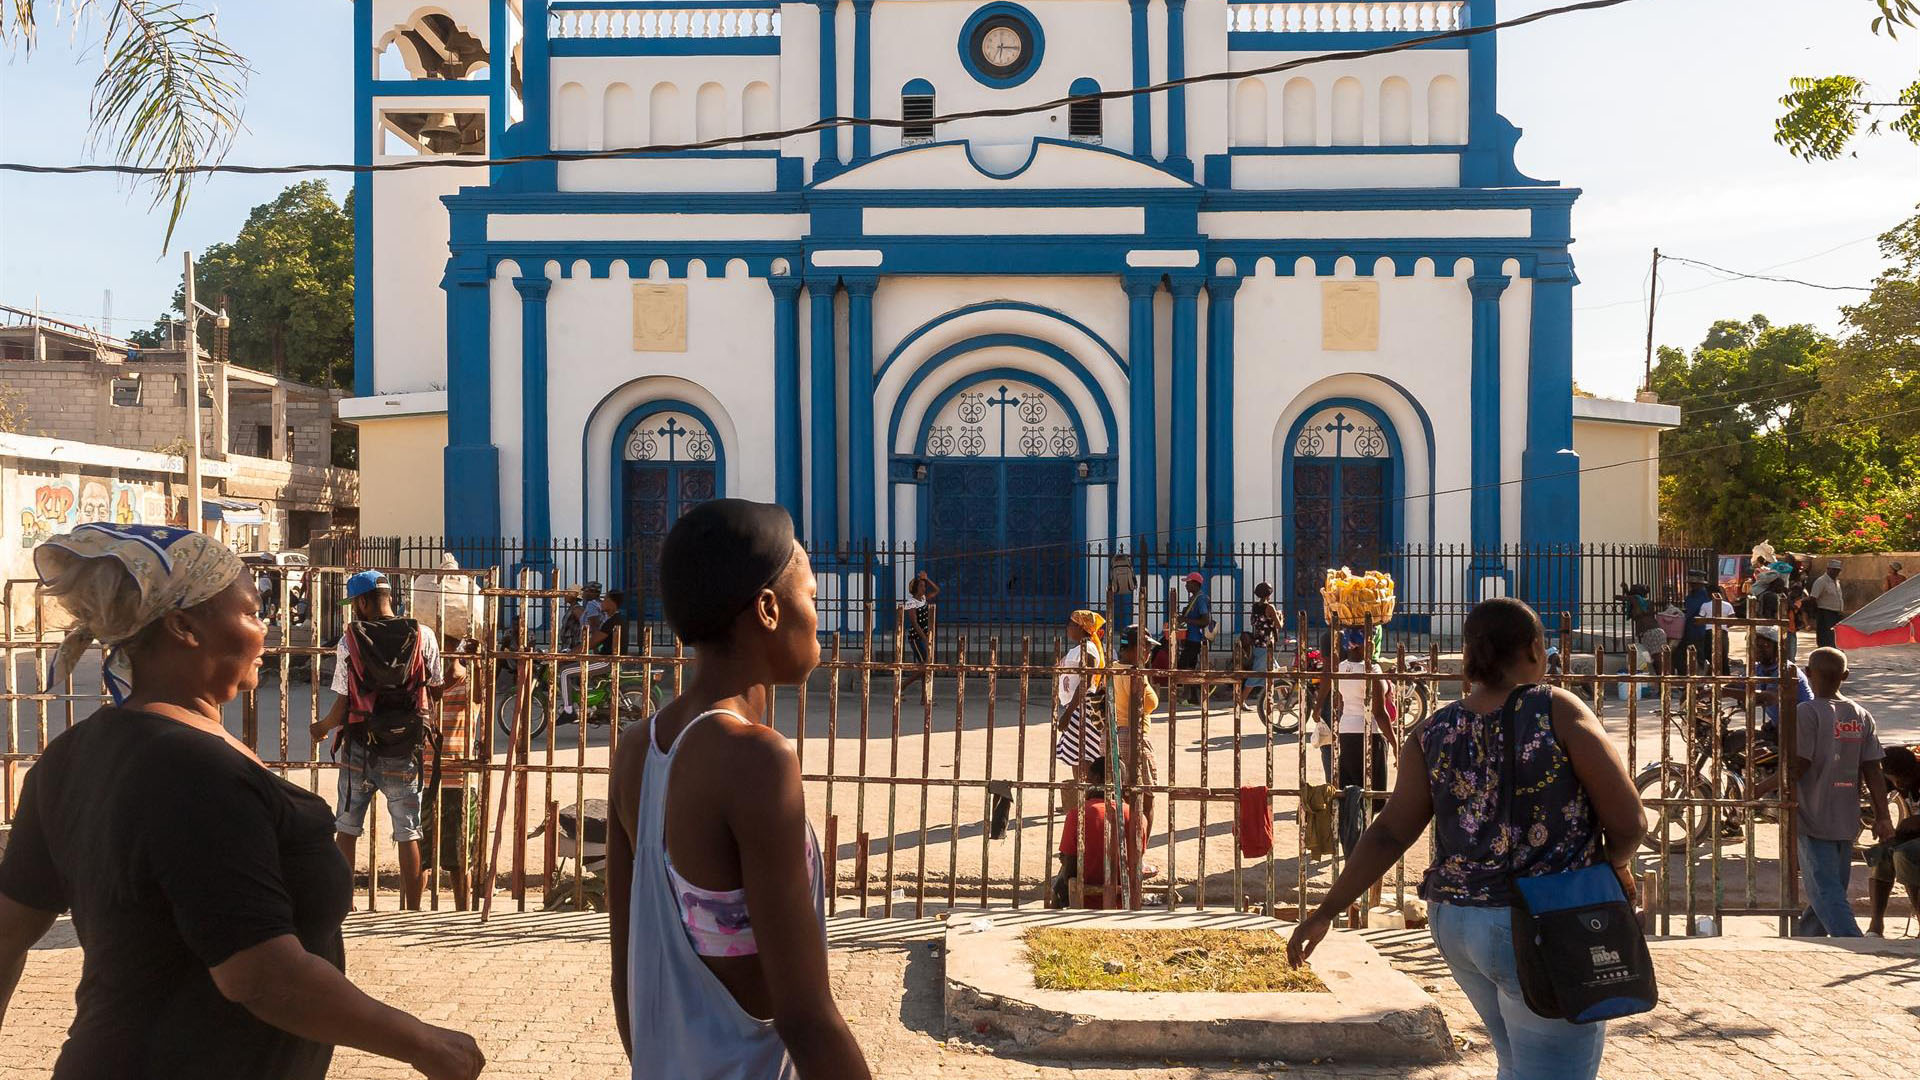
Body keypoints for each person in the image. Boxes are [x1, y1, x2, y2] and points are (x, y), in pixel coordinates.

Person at [0, 523, 481, 1080]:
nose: (268, 628)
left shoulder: (73, 755)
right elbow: (262, 976)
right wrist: (424, 1043)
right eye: (253, 613)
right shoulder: (194, 771)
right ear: (183, 626)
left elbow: (8, 931)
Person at [1289, 597, 1643, 1080]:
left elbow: (1390, 832)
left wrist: (1326, 911)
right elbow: (1630, 822)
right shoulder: (1555, 708)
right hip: (1542, 922)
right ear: (1536, 648)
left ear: (1470, 655)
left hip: (1457, 922)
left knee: (1517, 1064)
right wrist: (1617, 864)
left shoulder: (1435, 730)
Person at [606, 499, 871, 1078]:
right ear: (770, 609)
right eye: (813, 599)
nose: (819, 617)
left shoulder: (636, 749)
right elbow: (805, 1018)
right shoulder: (756, 760)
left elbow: (628, 978)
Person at [310, 570, 445, 911]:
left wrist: (322, 727)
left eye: (355, 602)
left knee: (348, 825)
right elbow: (434, 689)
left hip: (359, 744)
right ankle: (411, 910)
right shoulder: (423, 635)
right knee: (408, 830)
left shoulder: (349, 641)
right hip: (405, 746)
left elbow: (342, 702)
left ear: (364, 601)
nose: (354, 609)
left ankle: (345, 905)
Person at [1790, 647, 1894, 937]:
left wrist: (1764, 786)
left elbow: (1799, 764)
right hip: (1846, 821)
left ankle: (1855, 944)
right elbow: (1874, 770)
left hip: (1813, 818)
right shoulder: (1861, 714)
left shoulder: (1806, 712)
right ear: (1845, 676)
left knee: (1827, 893)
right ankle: (1808, 940)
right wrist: (1883, 817)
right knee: (1827, 891)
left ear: (1808, 674)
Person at [1319, 628, 1395, 856]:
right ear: (1363, 645)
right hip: (1369, 734)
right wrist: (1396, 744)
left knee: (1348, 789)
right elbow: (1380, 714)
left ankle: (1351, 839)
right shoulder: (1371, 671)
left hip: (1346, 732)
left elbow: (1341, 704)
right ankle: (1365, 841)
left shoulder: (1341, 668)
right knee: (1373, 793)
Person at [1054, 755, 1144, 910]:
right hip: (1123, 897)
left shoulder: (1079, 813)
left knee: (1058, 882)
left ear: (1096, 779)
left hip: (1086, 896)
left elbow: (1069, 861)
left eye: (1088, 779)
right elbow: (1137, 856)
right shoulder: (1136, 816)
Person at [1113, 625, 1161, 879]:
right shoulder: (1133, 674)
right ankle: (1136, 859)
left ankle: (1124, 856)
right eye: (1145, 648)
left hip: (1116, 735)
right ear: (1131, 649)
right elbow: (1138, 709)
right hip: (1133, 737)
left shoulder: (1115, 669)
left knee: (1126, 798)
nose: (1148, 653)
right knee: (1146, 799)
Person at [1053, 610, 1109, 821]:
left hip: (1081, 709)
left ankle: (1086, 800)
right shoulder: (1078, 649)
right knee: (1077, 756)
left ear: (1080, 627)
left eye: (1071, 623)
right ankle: (1081, 799)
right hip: (1075, 708)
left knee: (1083, 758)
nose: (1068, 627)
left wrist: (1068, 714)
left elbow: (1086, 680)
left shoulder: (1088, 649)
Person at [1865, 745, 1920, 938]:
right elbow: (1877, 791)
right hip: (1911, 835)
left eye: (1900, 779)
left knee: (1906, 855)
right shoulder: (1895, 779)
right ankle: (1876, 924)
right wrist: (1882, 818)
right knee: (1881, 854)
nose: (1898, 785)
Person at [1241, 582, 1282, 728]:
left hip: (1258, 642)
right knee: (1256, 674)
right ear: (1269, 594)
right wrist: (1280, 616)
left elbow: (1255, 622)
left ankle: (1282, 698)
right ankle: (1240, 701)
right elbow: (1279, 625)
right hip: (1267, 644)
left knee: (1277, 673)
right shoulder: (1269, 607)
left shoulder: (1255, 606)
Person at [1176, 572, 1212, 704]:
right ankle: (1191, 696)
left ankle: (1189, 695)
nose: (1186, 585)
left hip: (1196, 638)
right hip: (1191, 637)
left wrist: (1186, 619)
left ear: (1195, 584)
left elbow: (1205, 620)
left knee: (1186, 666)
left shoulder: (1201, 599)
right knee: (1188, 666)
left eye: (1188, 582)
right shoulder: (1195, 598)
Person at [900, 571, 939, 691]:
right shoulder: (912, 602)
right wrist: (925, 638)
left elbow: (937, 590)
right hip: (916, 638)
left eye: (924, 585)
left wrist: (926, 579)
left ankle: (924, 697)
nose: (924, 588)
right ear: (916, 588)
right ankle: (901, 686)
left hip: (924, 636)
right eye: (921, 586)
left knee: (925, 667)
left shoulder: (923, 599)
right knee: (925, 666)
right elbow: (914, 623)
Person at [1623, 584, 1665, 674]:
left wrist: (1626, 591)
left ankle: (1664, 682)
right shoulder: (1645, 602)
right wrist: (1627, 591)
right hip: (1649, 633)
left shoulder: (1636, 600)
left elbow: (1617, 597)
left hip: (1651, 633)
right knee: (1652, 661)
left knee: (1657, 661)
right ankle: (1661, 682)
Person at [1676, 570, 1712, 673]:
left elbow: (1693, 610)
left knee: (1698, 653)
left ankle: (1702, 673)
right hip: (1689, 629)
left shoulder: (1702, 596)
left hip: (1697, 629)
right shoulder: (1691, 595)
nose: (1692, 585)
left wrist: (1682, 614)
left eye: (1694, 584)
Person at [1810, 560, 1846, 649]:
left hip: (1836, 613)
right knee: (1826, 637)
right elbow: (1813, 598)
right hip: (1825, 612)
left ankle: (1835, 651)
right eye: (1834, 570)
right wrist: (1815, 613)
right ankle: (1826, 653)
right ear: (1828, 569)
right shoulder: (1821, 581)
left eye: (1838, 570)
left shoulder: (1836, 581)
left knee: (1835, 636)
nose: (1836, 572)